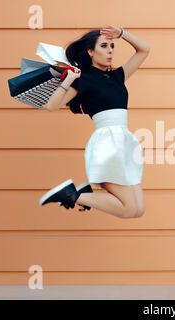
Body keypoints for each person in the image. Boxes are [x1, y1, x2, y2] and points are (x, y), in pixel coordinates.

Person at [38, 26, 150, 219]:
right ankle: (73, 195)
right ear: (90, 51)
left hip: (125, 142)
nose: (110, 51)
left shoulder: (118, 76)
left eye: (112, 46)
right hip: (107, 144)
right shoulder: (84, 79)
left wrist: (122, 33)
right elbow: (51, 105)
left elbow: (144, 49)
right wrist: (68, 80)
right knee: (129, 208)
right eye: (104, 46)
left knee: (138, 209)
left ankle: (81, 194)